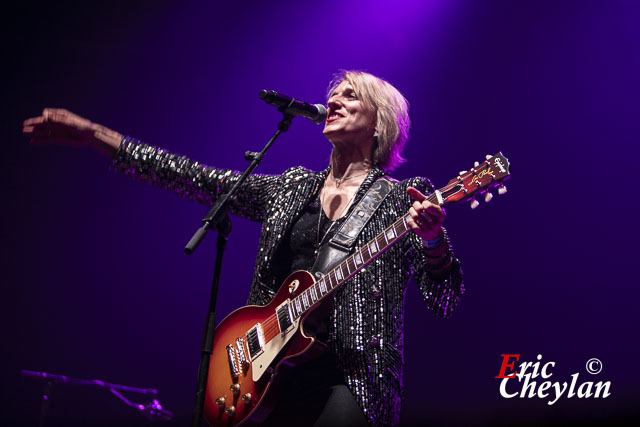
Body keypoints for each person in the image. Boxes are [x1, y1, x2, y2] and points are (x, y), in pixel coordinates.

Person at [23, 70, 463, 426]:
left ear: (380, 122)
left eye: (351, 96)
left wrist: (432, 240)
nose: (334, 101)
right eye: (333, 94)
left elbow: (443, 298)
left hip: (351, 377)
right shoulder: (292, 187)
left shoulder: (400, 198)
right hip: (265, 368)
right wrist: (95, 135)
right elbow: (195, 178)